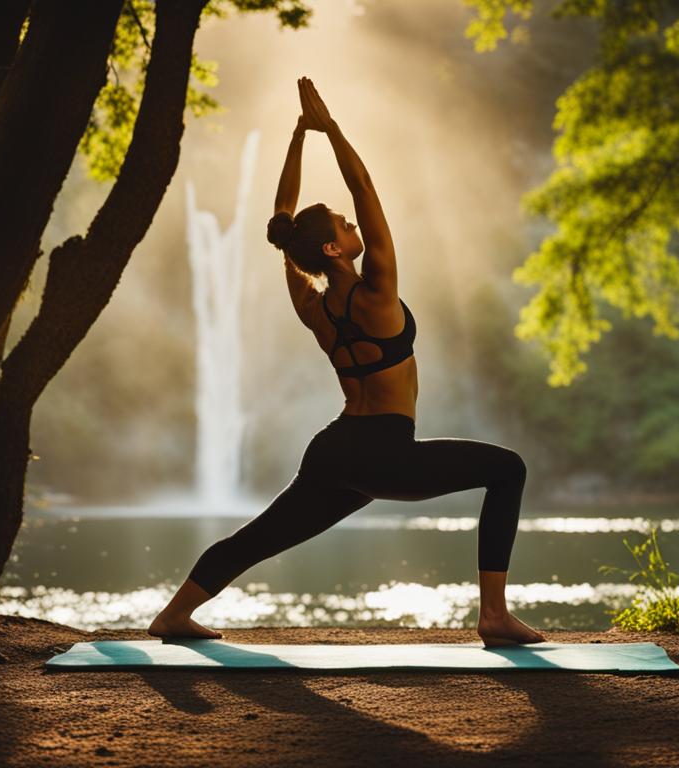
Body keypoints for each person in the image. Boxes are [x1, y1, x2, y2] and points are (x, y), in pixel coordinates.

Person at [148, 77, 545, 647]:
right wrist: (327, 129)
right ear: (334, 248)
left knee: (261, 537)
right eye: (343, 224)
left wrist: (296, 136)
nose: (354, 223)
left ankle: (173, 615)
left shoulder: (312, 304)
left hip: (338, 450)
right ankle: (495, 616)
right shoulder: (377, 294)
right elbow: (365, 191)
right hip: (385, 451)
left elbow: (282, 224)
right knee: (508, 469)